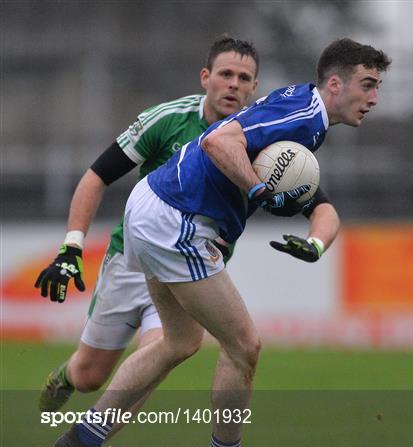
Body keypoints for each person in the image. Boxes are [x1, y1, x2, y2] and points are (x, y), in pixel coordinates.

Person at [31, 38, 391, 447]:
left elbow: (320, 206)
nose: (375, 98)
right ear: (336, 84)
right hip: (176, 220)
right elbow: (220, 139)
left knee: (180, 342)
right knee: (245, 345)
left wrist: (316, 244)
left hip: (155, 207)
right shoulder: (302, 116)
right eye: (368, 85)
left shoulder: (301, 110)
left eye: (377, 86)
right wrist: (259, 190)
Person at [35, 36, 260, 419]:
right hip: (132, 260)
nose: (233, 84)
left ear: (255, 88)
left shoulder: (261, 138)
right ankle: (68, 375)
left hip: (187, 267)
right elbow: (96, 177)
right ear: (206, 77)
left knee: (161, 351)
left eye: (244, 77)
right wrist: (71, 247)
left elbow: (307, 195)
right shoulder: (168, 119)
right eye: (225, 74)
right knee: (91, 374)